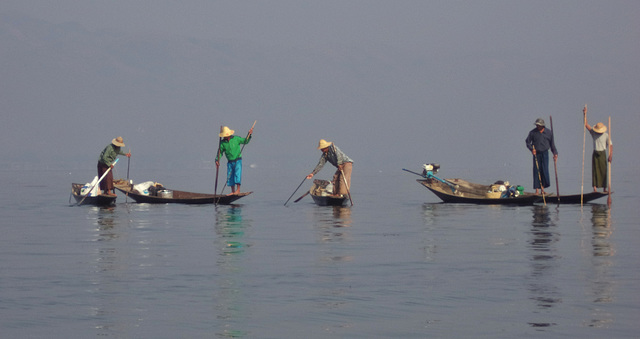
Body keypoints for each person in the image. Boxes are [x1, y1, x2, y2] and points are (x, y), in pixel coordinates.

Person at [216, 125, 252, 195]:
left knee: (237, 174)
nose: (224, 137)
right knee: (230, 175)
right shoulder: (222, 143)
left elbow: (245, 141)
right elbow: (220, 152)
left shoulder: (236, 139)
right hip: (230, 161)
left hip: (237, 160)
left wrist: (249, 134)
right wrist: (217, 160)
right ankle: (233, 191)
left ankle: (238, 190)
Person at [525, 118, 558, 195]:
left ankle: (542, 189)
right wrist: (531, 149)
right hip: (536, 153)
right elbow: (527, 142)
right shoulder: (533, 132)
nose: (537, 126)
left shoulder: (549, 132)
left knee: (544, 170)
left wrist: (555, 153)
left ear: (542, 126)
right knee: (537, 170)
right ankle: (537, 190)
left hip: (545, 153)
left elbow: (552, 145)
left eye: (538, 125)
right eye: (536, 125)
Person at [584, 107, 612, 192]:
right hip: (595, 153)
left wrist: (610, 155)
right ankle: (595, 188)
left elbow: (610, 145)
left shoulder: (606, 135)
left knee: (603, 170)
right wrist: (585, 114)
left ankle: (604, 188)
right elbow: (586, 124)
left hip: (602, 153)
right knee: (595, 170)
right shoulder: (593, 133)